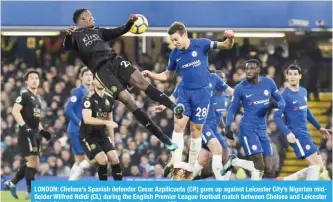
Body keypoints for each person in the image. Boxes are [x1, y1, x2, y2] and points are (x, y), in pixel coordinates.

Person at [63, 8, 181, 151]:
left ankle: (174, 107)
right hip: (102, 71)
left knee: (143, 82)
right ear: (83, 18)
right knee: (129, 101)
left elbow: (118, 31)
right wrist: (68, 36)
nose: (93, 19)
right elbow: (67, 46)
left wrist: (129, 23)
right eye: (90, 16)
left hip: (115, 61)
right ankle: (164, 138)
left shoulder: (98, 31)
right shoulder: (75, 36)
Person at [143, 21, 234, 180]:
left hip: (202, 95)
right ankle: (176, 164)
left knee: (196, 130)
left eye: (176, 39)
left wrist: (230, 38)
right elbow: (168, 75)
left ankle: (191, 168)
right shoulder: (175, 54)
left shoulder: (202, 44)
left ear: (184, 34)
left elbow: (226, 45)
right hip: (185, 93)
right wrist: (152, 75)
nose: (174, 43)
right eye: (171, 40)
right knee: (178, 125)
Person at [225, 59, 285, 180]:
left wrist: (274, 105)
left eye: (252, 68)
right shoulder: (240, 88)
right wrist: (228, 127)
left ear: (258, 69)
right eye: (247, 68)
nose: (248, 71)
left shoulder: (269, 83)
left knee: (268, 167)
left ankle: (235, 162)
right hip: (247, 129)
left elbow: (282, 101)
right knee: (258, 163)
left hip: (262, 129)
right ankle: (255, 192)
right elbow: (231, 109)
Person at [273, 62, 331, 180]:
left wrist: (319, 127)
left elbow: (307, 111)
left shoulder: (303, 91)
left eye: (295, 74)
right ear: (287, 77)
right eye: (290, 74)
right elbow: (277, 117)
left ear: (300, 76)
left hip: (306, 134)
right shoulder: (283, 95)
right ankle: (310, 195)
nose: (293, 76)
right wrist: (287, 133)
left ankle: (286, 180)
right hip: (296, 135)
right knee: (316, 167)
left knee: (320, 169)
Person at [4, 69, 52, 199]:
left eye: (36, 78)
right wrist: (25, 127)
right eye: (31, 78)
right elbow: (15, 111)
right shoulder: (24, 95)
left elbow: (36, 119)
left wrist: (42, 131)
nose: (34, 80)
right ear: (26, 82)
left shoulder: (37, 98)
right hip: (26, 133)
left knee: (34, 164)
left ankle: (12, 183)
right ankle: (30, 192)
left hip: (35, 133)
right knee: (32, 162)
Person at [80, 79, 122, 180]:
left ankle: (120, 189)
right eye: (97, 80)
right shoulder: (88, 99)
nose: (100, 81)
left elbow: (110, 120)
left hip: (101, 135)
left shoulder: (110, 99)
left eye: (101, 79)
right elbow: (87, 119)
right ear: (94, 82)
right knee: (103, 160)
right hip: (88, 135)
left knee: (115, 159)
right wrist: (105, 122)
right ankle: (103, 188)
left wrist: (112, 139)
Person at [64, 67, 93, 180]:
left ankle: (69, 187)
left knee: (79, 161)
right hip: (76, 129)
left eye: (91, 75)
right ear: (81, 77)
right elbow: (68, 109)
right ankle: (71, 186)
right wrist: (79, 122)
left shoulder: (89, 92)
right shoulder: (79, 91)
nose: (89, 77)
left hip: (82, 130)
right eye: (86, 75)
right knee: (90, 158)